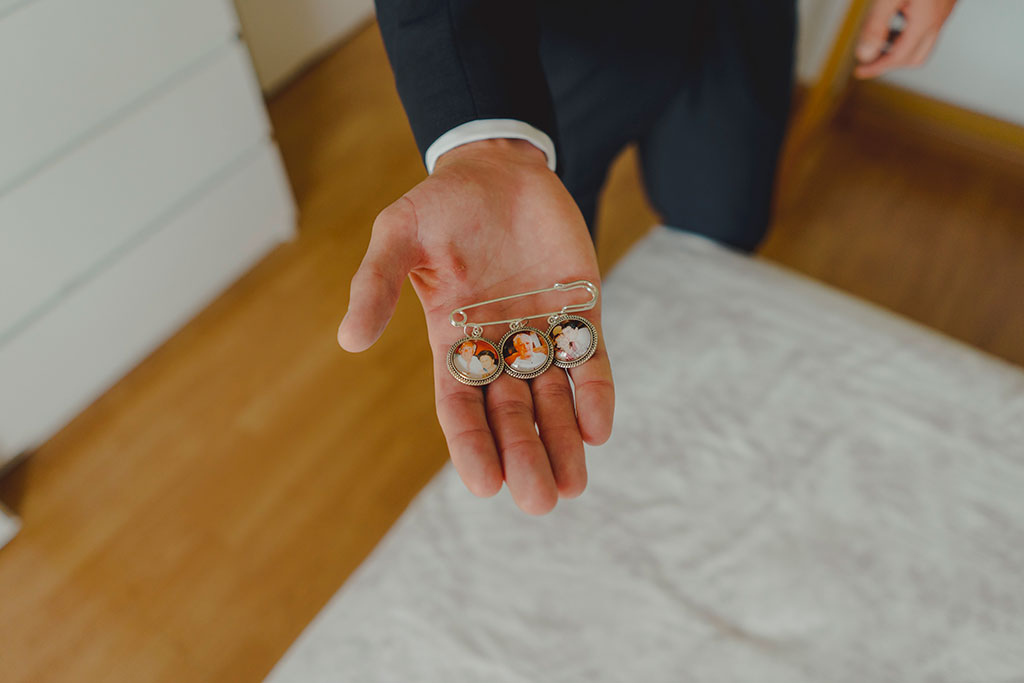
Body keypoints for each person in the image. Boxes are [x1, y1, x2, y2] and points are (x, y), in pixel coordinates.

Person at [337, 0, 960, 515]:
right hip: (557, 41)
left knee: (726, 223)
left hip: (743, 26)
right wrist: (488, 143)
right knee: (544, 233)